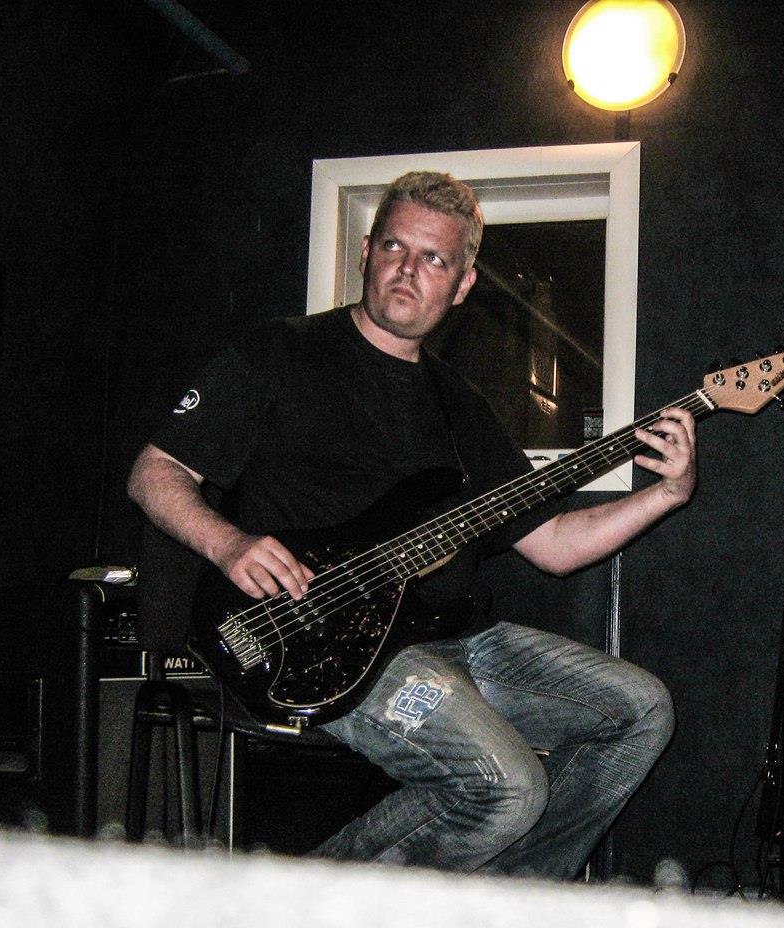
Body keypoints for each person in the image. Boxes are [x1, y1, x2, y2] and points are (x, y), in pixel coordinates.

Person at [127, 171, 696, 878]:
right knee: (508, 787)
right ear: (366, 251)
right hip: (319, 641)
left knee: (642, 709)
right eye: (395, 247)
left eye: (434, 259)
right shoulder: (278, 354)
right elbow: (154, 471)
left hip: (457, 638)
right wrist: (227, 542)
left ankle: (513, 899)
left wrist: (667, 494)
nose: (408, 270)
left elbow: (554, 546)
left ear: (462, 284)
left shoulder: (463, 409)